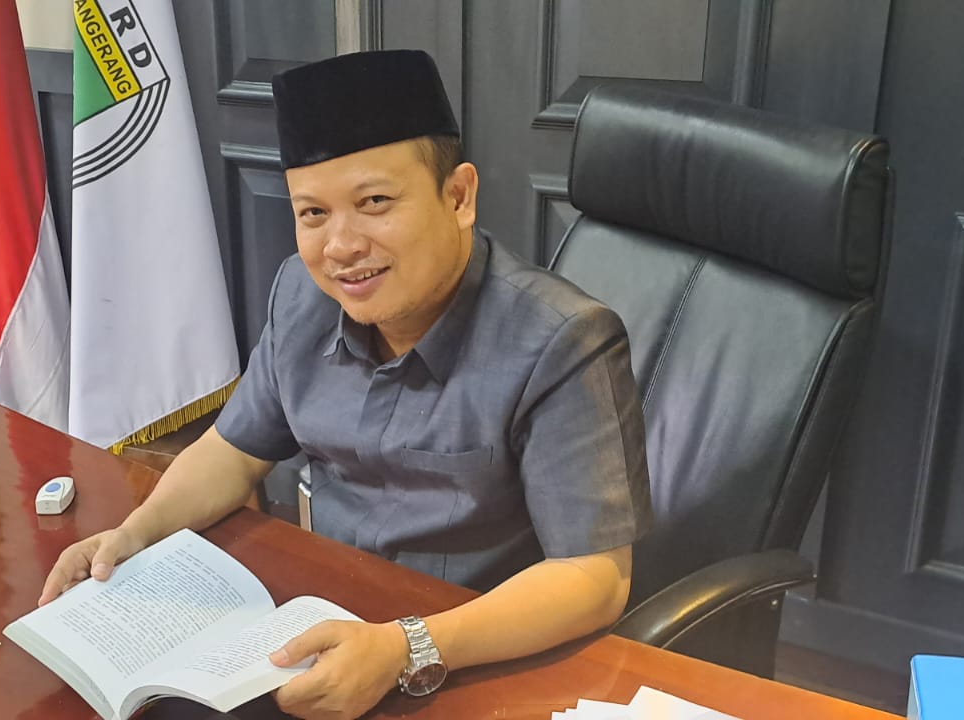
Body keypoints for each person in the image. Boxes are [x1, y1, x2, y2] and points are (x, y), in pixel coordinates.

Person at [40, 49, 651, 720]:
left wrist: (407, 647)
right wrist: (133, 537)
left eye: (374, 203)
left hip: (473, 659)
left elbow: (595, 578)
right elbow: (234, 451)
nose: (340, 247)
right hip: (320, 624)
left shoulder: (561, 340)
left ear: (458, 197)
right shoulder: (302, 295)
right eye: (313, 214)